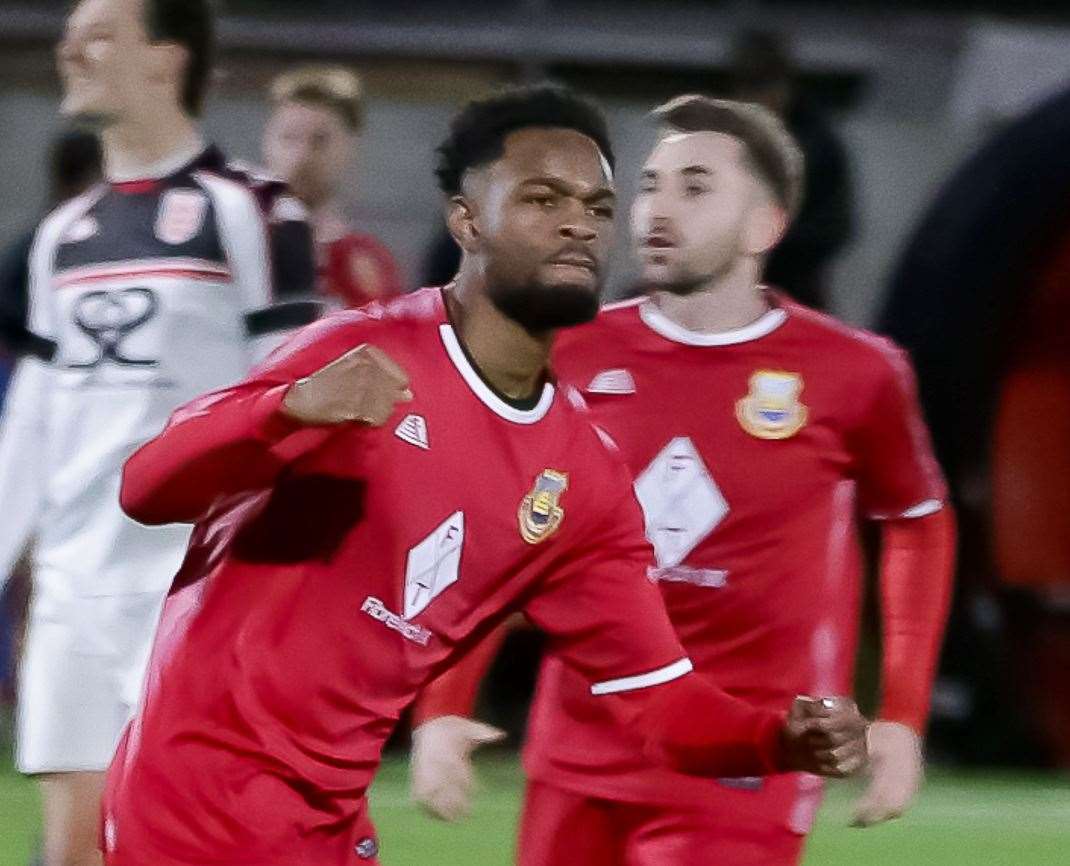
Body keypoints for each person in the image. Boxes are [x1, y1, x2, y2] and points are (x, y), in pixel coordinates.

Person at [101, 85, 867, 866]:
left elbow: (661, 704)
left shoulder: (583, 479)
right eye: (543, 198)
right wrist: (286, 411)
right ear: (467, 220)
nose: (580, 223)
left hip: (325, 819)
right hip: (194, 799)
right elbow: (147, 488)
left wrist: (776, 738)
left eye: (599, 208)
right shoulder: (366, 353)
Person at [411, 96, 955, 866]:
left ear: (765, 226)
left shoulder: (855, 373)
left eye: (695, 188)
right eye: (651, 185)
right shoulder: (571, 352)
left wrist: (900, 716)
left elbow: (916, 521)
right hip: (579, 751)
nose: (658, 210)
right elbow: (502, 529)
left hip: (750, 755)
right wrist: (443, 704)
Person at [0, 1, 316, 863]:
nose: (70, 47)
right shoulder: (60, 237)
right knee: (68, 850)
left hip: (191, 590)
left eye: (100, 33)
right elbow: (31, 418)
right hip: (71, 591)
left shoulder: (252, 211)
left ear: (165, 61)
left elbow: (296, 392)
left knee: (171, 843)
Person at [727, 31, 854, 311]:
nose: (758, 101)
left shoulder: (818, 146)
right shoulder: (727, 139)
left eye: (764, 87)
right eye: (749, 89)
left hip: (792, 292)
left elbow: (833, 228)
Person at [263, 65, 405, 308]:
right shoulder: (244, 248)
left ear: (349, 146)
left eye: (320, 141)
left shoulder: (367, 262)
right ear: (267, 141)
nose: (302, 156)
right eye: (288, 138)